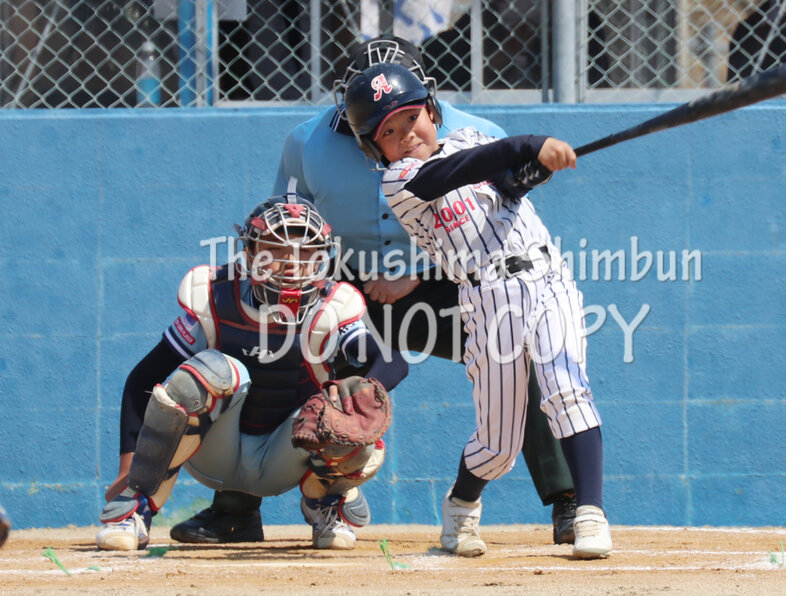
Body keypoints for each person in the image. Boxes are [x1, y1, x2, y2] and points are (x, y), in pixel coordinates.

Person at [168, 36, 578, 547]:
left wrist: (418, 270)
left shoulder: (478, 135)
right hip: (348, 287)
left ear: (426, 95)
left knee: (517, 353)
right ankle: (238, 508)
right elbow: (285, 231)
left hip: (447, 283)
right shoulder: (306, 142)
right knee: (272, 346)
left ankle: (569, 501)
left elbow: (496, 230)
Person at [342, 62, 612, 559]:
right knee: (498, 444)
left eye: (411, 118)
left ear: (431, 110)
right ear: (374, 148)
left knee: (567, 389)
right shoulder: (400, 181)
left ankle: (590, 513)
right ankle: (462, 502)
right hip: (488, 301)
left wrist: (530, 172)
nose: (406, 136)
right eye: (388, 133)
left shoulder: (468, 137)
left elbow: (504, 181)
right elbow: (462, 170)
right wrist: (531, 145)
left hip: (548, 278)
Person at [96, 198, 406, 551]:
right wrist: (129, 468)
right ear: (249, 252)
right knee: (212, 371)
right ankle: (136, 507)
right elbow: (142, 379)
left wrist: (361, 390)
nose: (292, 262)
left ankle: (326, 502)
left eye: (305, 251)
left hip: (286, 458)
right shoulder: (214, 295)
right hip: (214, 454)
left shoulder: (332, 305)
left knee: (345, 407)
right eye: (277, 248)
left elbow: (391, 360)